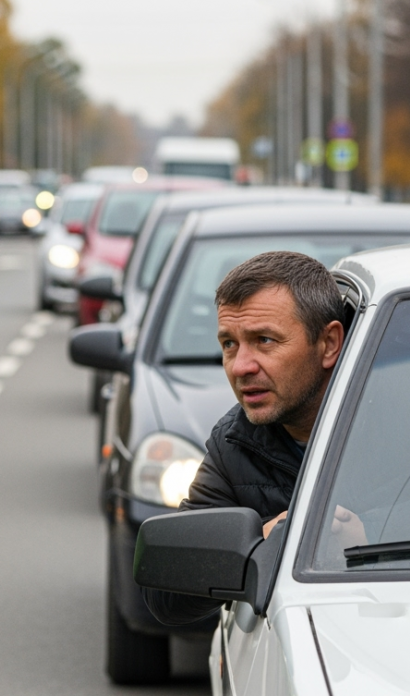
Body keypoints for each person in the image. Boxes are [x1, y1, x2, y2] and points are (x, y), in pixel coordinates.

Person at [142, 251, 365, 625]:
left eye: (264, 340)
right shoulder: (234, 443)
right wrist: (253, 545)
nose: (241, 366)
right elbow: (166, 597)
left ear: (328, 343)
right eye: (229, 344)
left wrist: (370, 541)